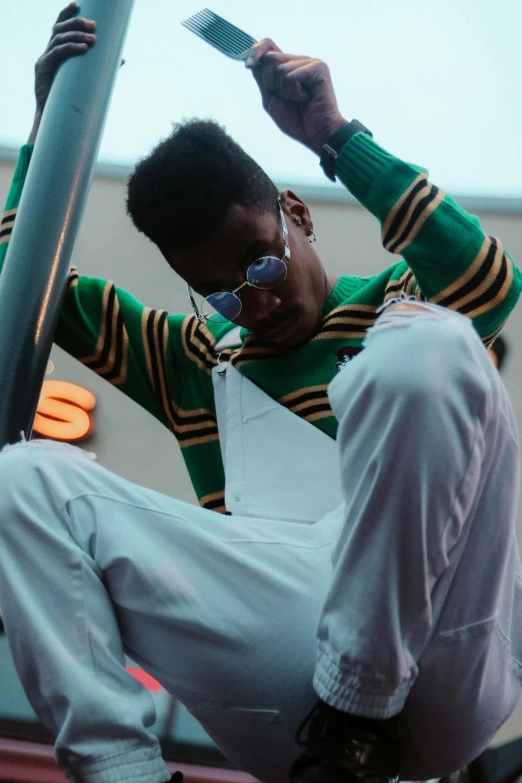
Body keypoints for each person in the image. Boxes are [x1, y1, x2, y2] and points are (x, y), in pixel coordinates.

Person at [0, 5, 521, 783]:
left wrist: (335, 135)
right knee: (19, 477)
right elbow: (23, 278)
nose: (256, 300)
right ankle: (122, 770)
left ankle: (362, 699)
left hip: (440, 651)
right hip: (287, 675)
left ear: (297, 215)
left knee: (432, 339)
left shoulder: (396, 302)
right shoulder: (188, 360)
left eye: (261, 264)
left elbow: (487, 276)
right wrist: (48, 125)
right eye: (221, 293)